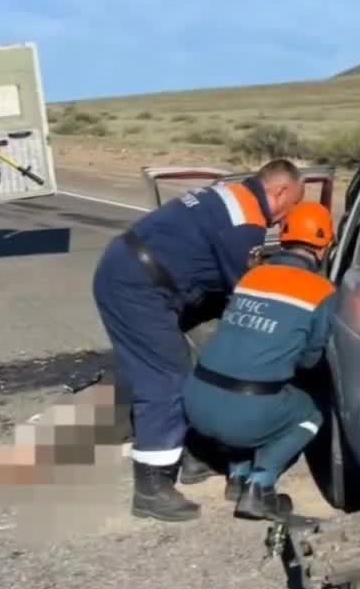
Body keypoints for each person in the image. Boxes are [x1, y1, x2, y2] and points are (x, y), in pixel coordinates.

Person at [93, 159, 305, 522]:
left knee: (194, 361)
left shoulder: (231, 195)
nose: (288, 218)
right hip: (137, 287)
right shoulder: (246, 224)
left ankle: (193, 456)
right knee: (166, 380)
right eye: (293, 204)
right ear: (281, 191)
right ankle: (151, 488)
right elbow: (249, 295)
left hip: (134, 270)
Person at [181, 201, 336, 521]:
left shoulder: (251, 277)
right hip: (244, 416)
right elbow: (310, 361)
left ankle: (237, 477)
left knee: (246, 385)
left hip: (196, 403)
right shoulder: (322, 291)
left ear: (283, 237)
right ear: (323, 247)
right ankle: (260, 486)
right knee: (314, 409)